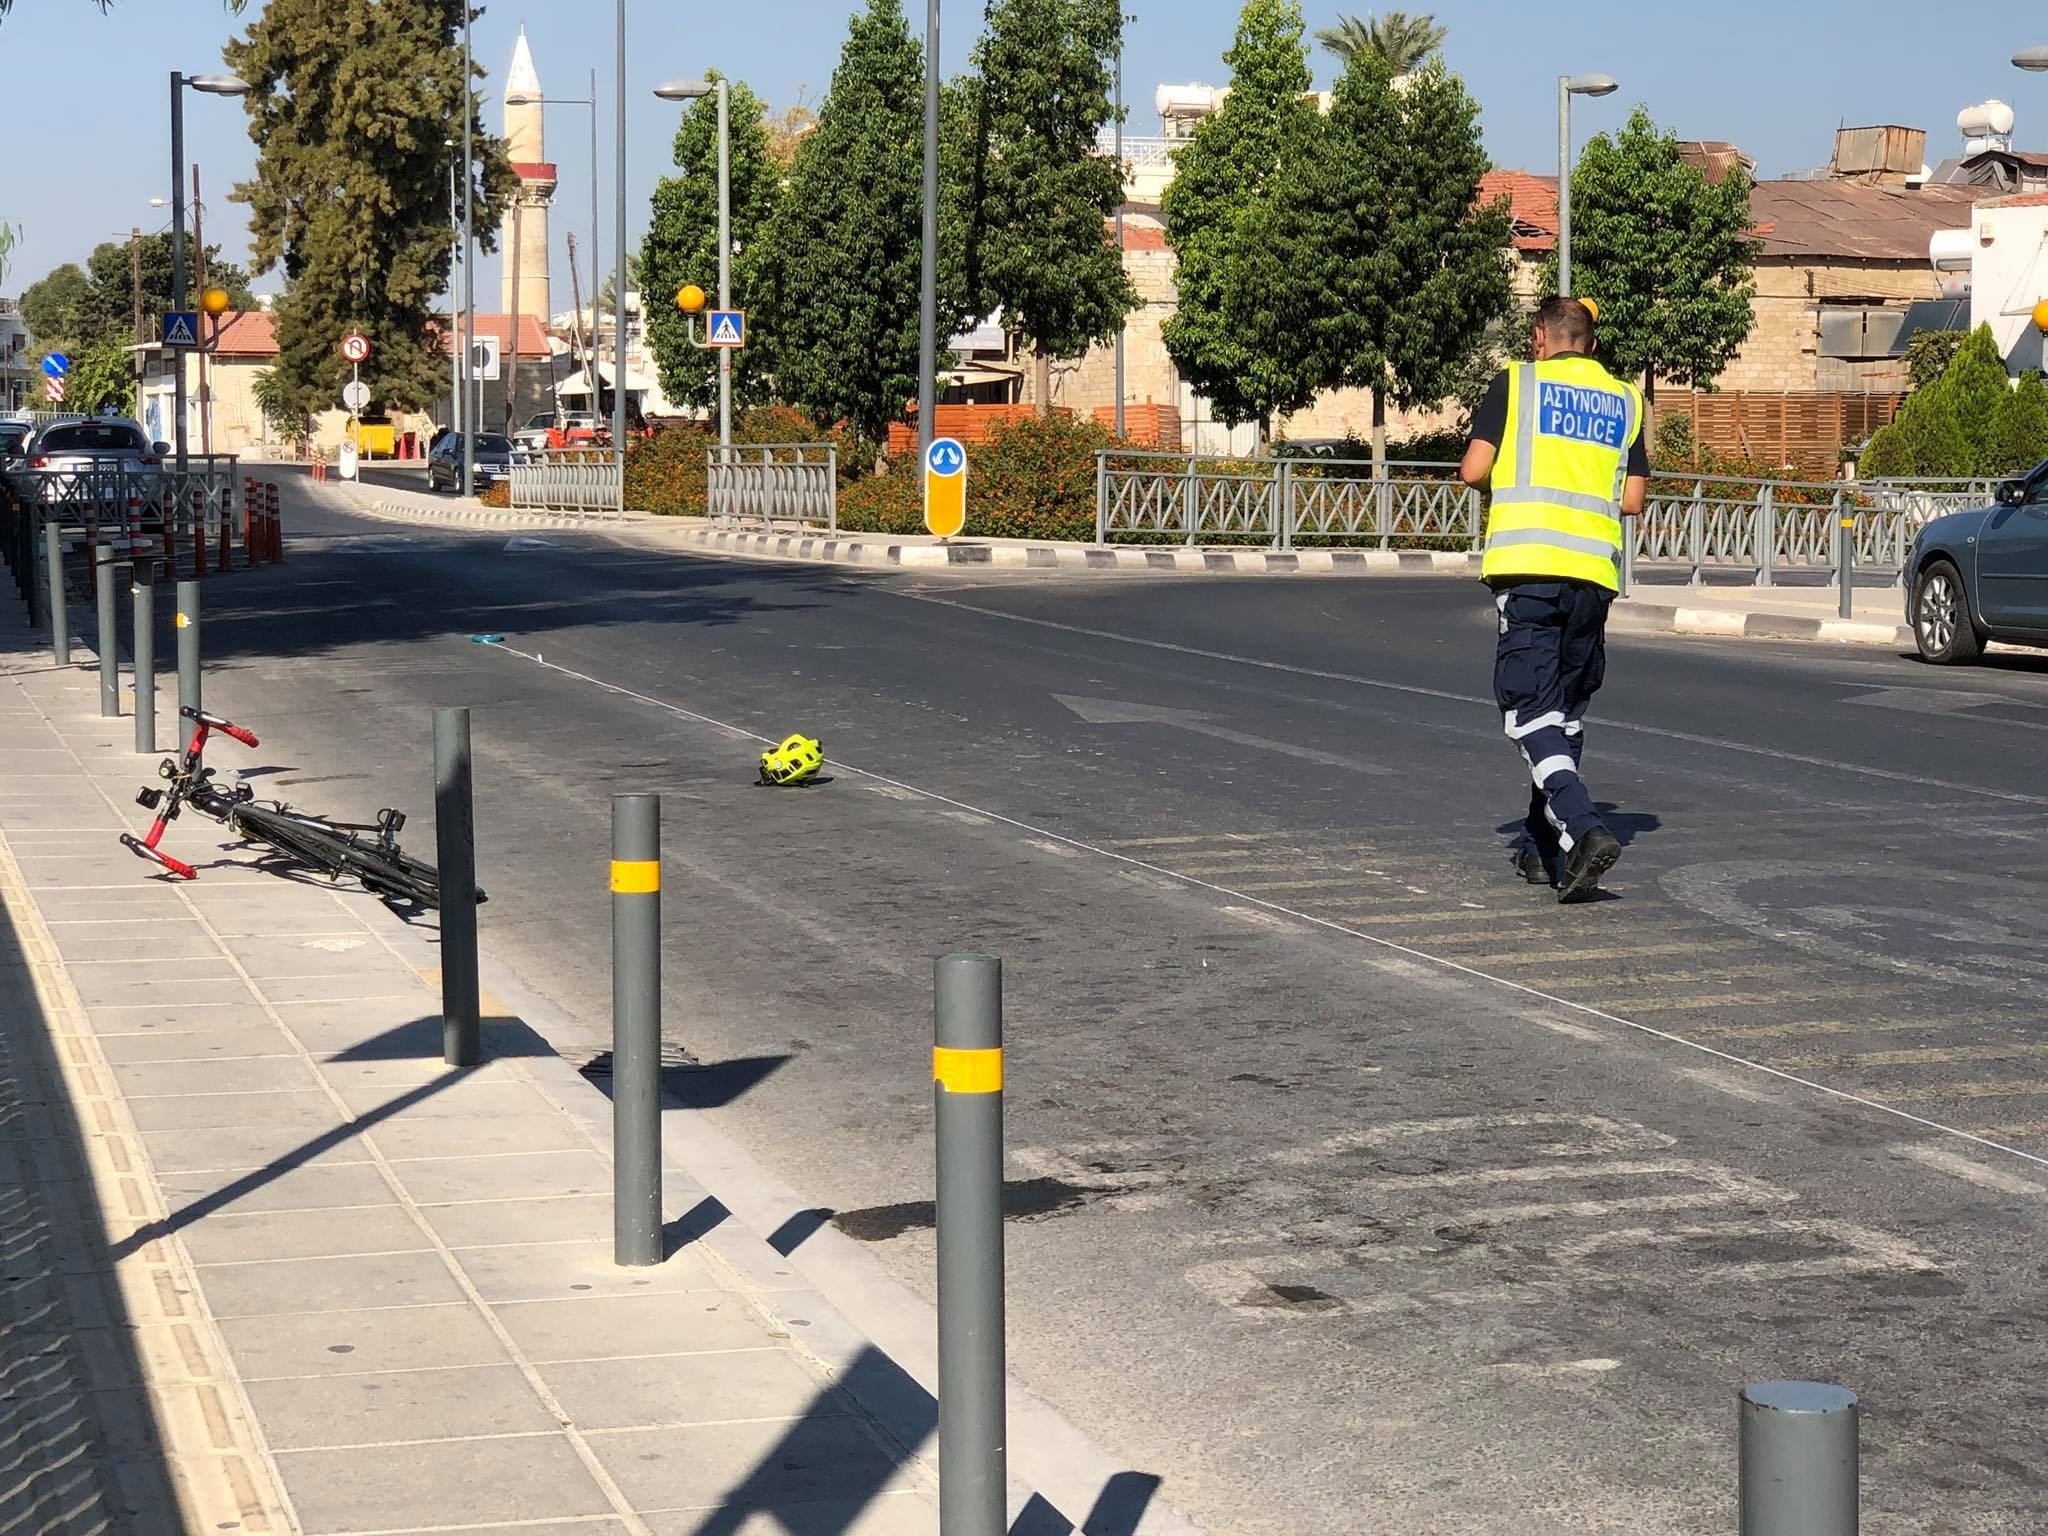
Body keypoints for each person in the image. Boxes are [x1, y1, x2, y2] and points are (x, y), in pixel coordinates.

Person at [1458, 296, 1648, 904]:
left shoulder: (1516, 382)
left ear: (1541, 338)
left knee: (1529, 712)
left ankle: (1584, 827)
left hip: (1529, 569)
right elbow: (1633, 498)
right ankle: (1543, 846)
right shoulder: (1626, 399)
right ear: (1590, 343)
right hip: (1593, 574)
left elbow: (1472, 469)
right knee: (1565, 713)